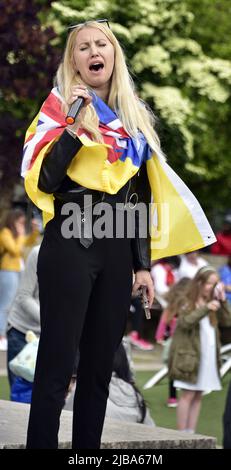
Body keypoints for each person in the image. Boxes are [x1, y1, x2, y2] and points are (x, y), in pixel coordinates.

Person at [21, 20, 215, 449]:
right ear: (74, 61)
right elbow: (47, 180)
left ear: (113, 55)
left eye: (101, 44)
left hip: (116, 251)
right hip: (70, 242)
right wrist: (73, 126)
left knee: (98, 371)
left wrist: (142, 266)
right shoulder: (57, 109)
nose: (94, 51)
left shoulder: (135, 117)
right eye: (83, 46)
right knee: (57, 366)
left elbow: (140, 195)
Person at [168, 266, 231, 433]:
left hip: (208, 356)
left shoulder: (214, 302)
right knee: (188, 394)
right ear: (200, 283)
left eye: (216, 283)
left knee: (198, 395)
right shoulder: (186, 300)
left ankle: (191, 432)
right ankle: (181, 434)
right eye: (210, 283)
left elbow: (227, 321)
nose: (213, 287)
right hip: (190, 356)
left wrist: (223, 302)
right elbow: (185, 322)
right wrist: (206, 308)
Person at [0, 208, 39, 351]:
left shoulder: (18, 235)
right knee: (5, 304)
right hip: (8, 270)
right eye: (20, 222)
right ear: (13, 221)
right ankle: (2, 336)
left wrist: (34, 231)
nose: (22, 225)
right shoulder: (5, 233)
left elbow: (28, 242)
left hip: (18, 270)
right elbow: (15, 250)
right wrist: (21, 234)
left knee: (12, 303)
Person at [7, 245, 40, 389]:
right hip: (22, 333)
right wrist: (53, 321)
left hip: (51, 337)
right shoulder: (38, 253)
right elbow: (24, 296)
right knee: (21, 396)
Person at [155, 277, 190, 407]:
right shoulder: (176, 307)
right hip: (177, 342)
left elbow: (163, 323)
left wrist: (159, 337)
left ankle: (175, 396)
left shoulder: (185, 306)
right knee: (175, 368)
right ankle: (174, 396)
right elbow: (164, 322)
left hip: (181, 342)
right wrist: (159, 336)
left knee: (176, 369)